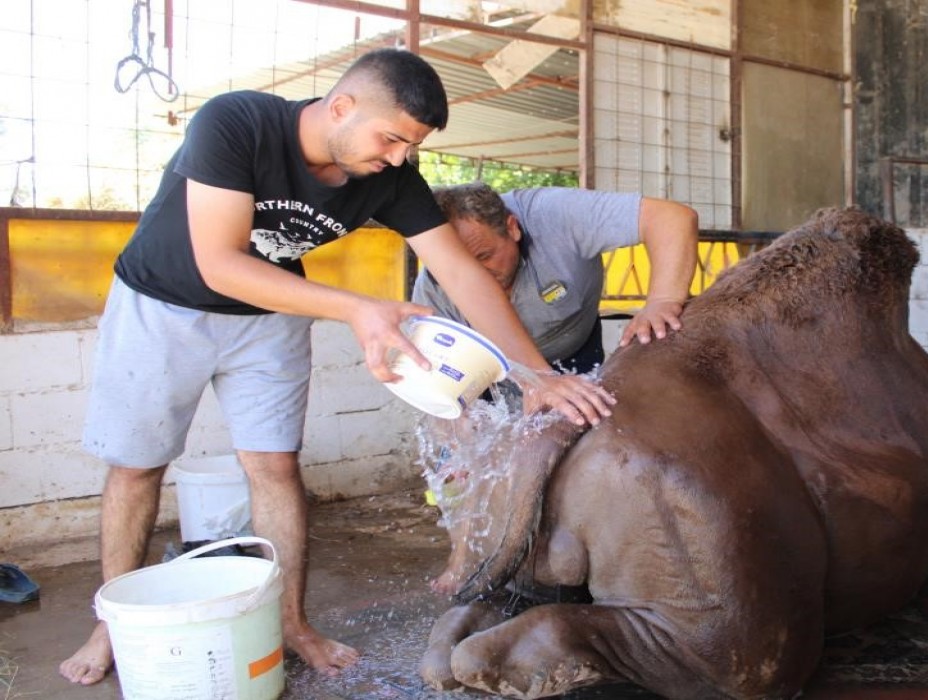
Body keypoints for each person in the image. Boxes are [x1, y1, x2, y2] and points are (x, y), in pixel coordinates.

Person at [59, 48, 613, 686]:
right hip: (162, 302)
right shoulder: (236, 123)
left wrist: (533, 374)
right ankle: (112, 622)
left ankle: (291, 623)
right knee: (136, 467)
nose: (400, 156)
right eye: (392, 138)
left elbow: (460, 272)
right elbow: (219, 260)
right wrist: (357, 308)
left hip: (267, 315)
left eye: (412, 144)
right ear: (342, 107)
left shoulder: (390, 175)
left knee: (272, 465)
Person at [411, 183, 699, 375]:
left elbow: (671, 218)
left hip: (575, 351)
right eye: (456, 267)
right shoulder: (432, 291)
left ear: (512, 228)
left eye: (484, 257)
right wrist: (459, 442)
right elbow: (433, 377)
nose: (473, 278)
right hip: (486, 373)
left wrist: (663, 300)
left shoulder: (554, 214)